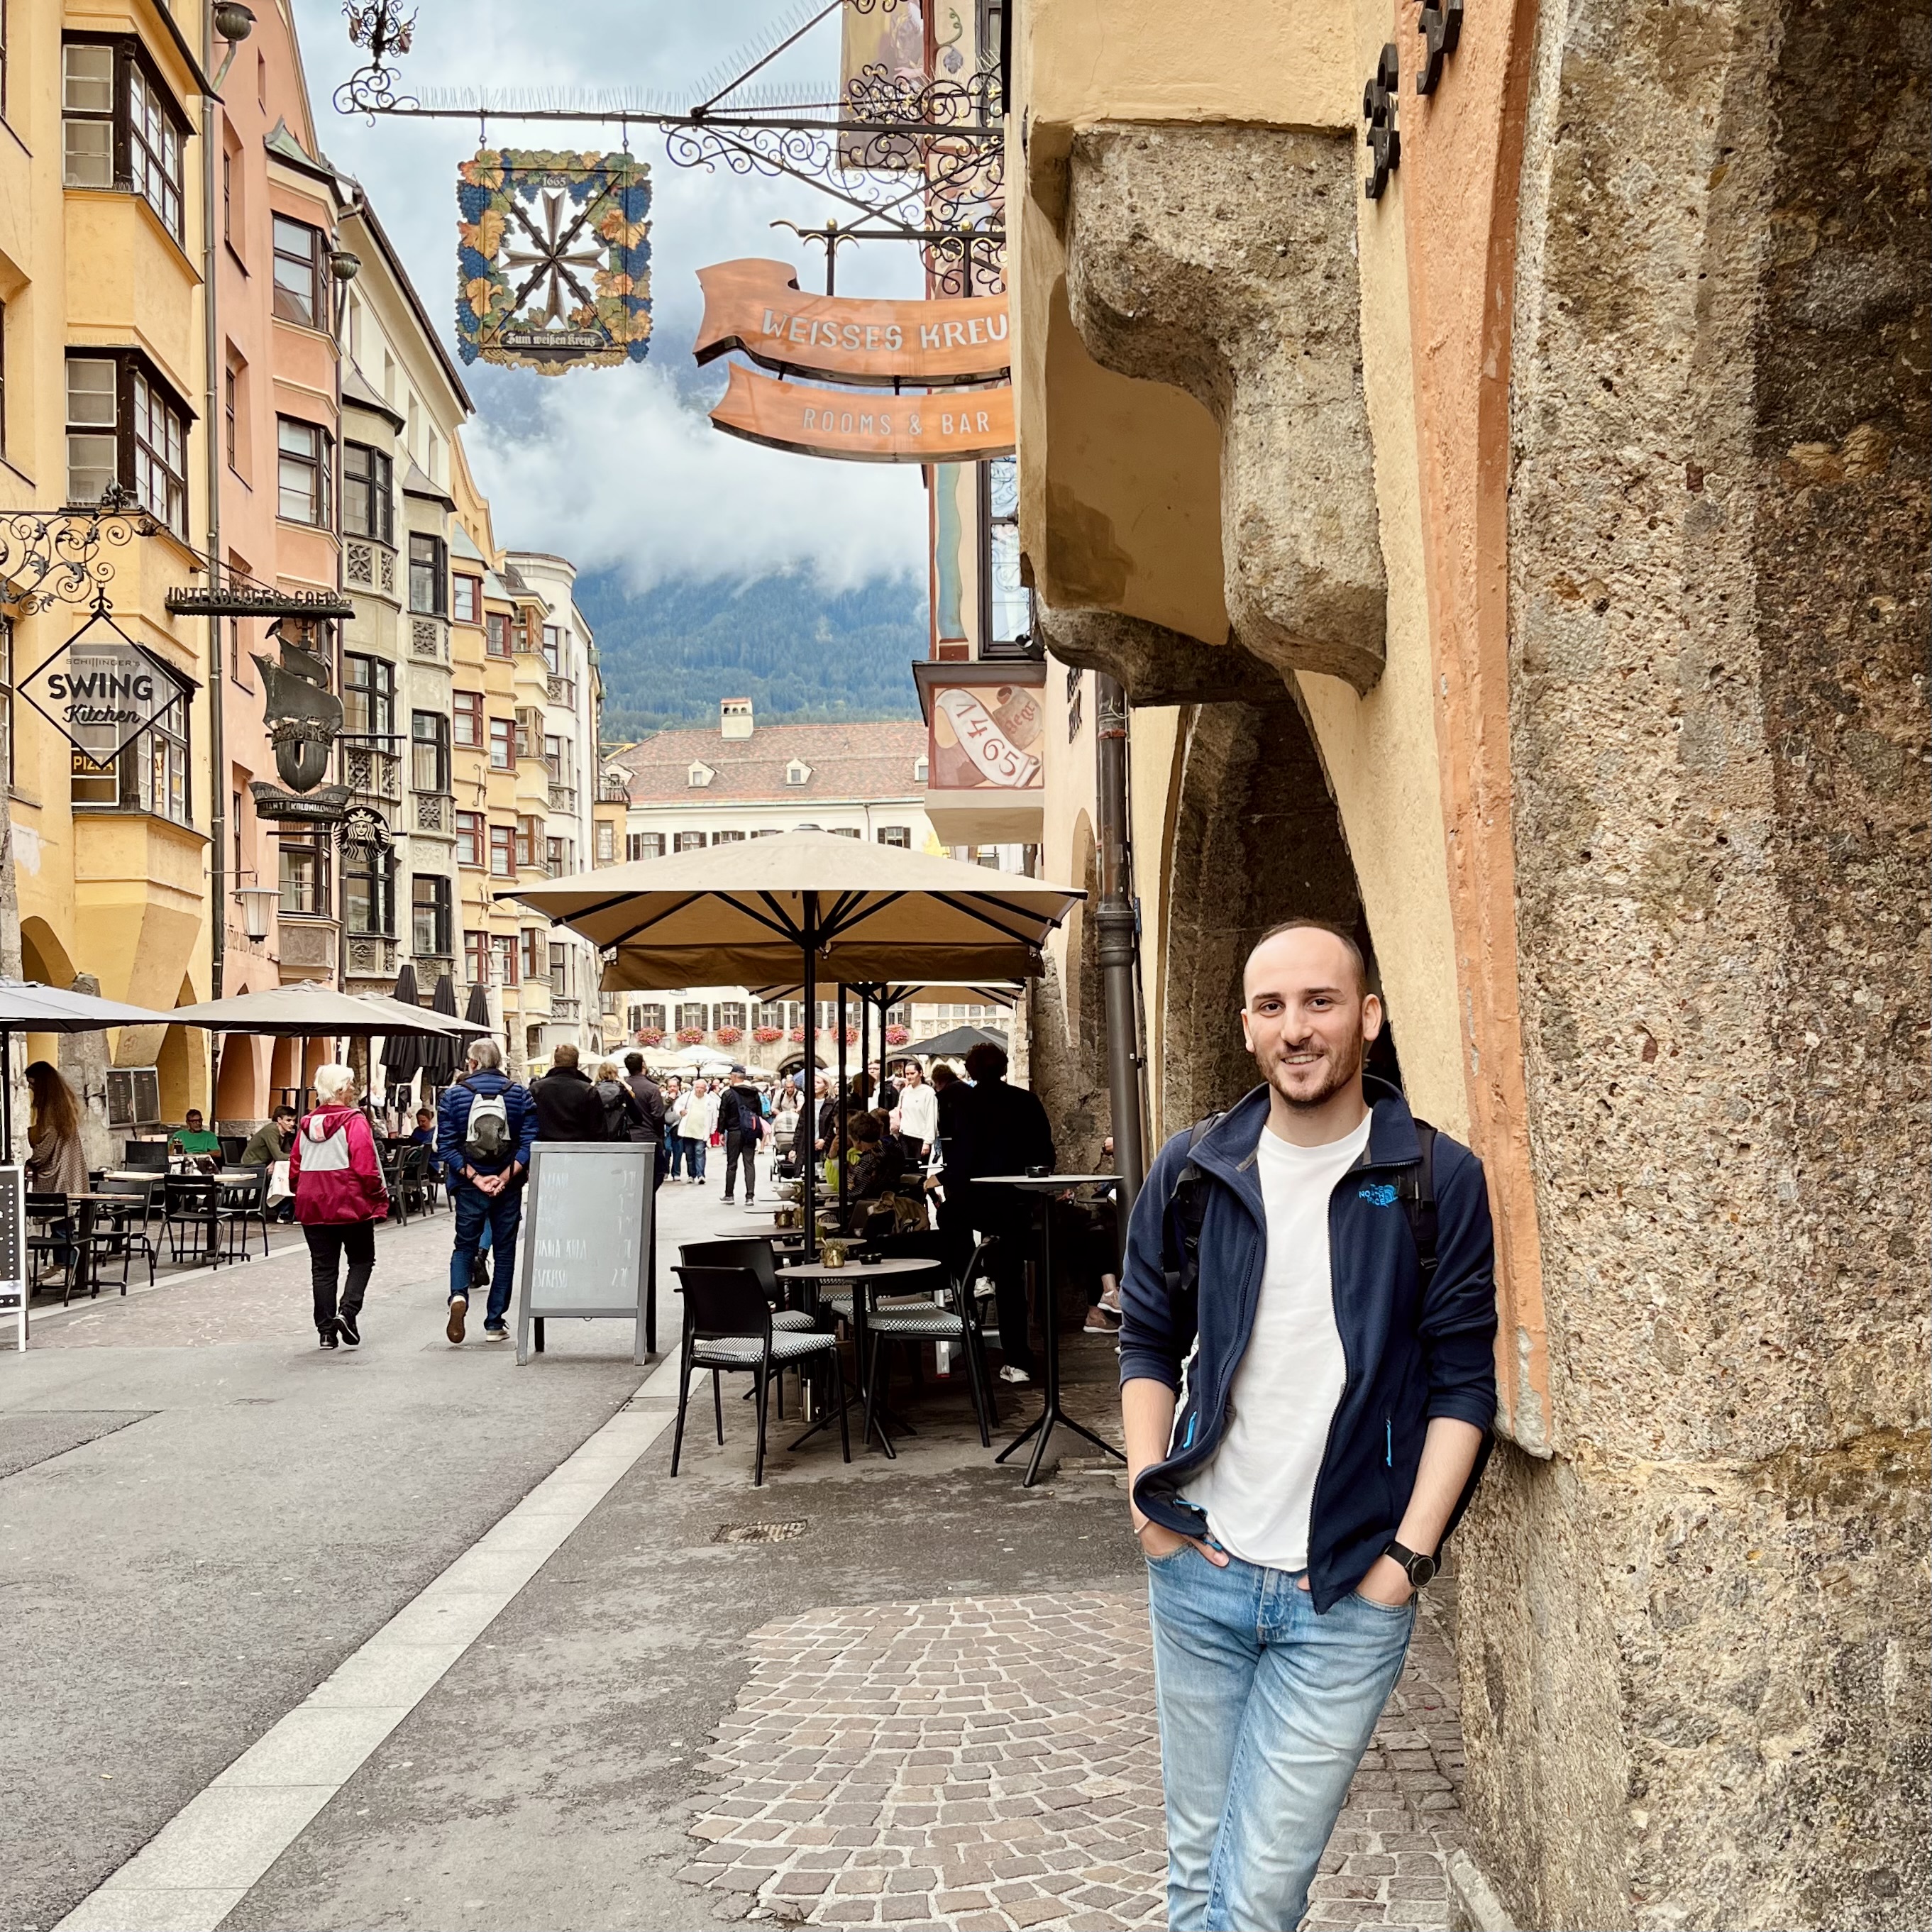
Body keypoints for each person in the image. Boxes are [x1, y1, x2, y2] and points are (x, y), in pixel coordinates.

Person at [1118, 920, 1496, 1932]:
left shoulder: (1432, 1178)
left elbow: (1464, 1385)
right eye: (1272, 1005)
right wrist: (1146, 1499)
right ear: (1246, 1025)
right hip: (1199, 1566)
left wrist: (1400, 1566)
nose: (1296, 1027)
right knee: (1195, 1871)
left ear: (1366, 1017)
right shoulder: (1194, 1168)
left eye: (1319, 1001)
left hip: (1341, 1592)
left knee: (1257, 1893)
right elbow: (1146, 1340)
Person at [942, 1040, 1054, 1385]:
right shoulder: (1026, 1101)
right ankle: (1017, 1357)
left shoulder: (962, 1104)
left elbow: (959, 1160)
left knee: (948, 1218)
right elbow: (1045, 1157)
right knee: (1011, 1279)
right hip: (1016, 1202)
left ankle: (965, 1287)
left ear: (971, 1071)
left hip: (978, 1202)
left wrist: (950, 1188)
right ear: (1004, 1068)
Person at [437, 1039, 538, 1344]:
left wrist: (476, 1178)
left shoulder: (453, 1096)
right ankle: (495, 1322)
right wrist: (505, 1177)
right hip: (508, 1186)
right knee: (505, 1251)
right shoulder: (520, 1094)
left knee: (464, 1246)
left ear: (472, 1063)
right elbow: (531, 1141)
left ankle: (458, 1295)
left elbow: (446, 1146)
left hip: (470, 1185)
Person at [288, 1064, 389, 1350]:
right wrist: (379, 1196)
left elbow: (295, 1165)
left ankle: (326, 1331)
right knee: (361, 1259)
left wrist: (302, 1192)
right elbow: (365, 1166)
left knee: (323, 1268)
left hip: (313, 1204)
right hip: (349, 1202)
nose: (355, 1089)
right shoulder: (354, 1121)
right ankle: (347, 1311)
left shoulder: (306, 1124)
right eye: (351, 1084)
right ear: (341, 1089)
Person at [25, 1064, 87, 1274]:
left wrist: (31, 1160)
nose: (31, 1089)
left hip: (59, 1174)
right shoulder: (63, 1105)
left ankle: (65, 1266)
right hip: (68, 1173)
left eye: (33, 1084)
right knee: (62, 1223)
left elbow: (46, 1145)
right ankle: (61, 1265)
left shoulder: (51, 1110)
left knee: (61, 1224)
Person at [529, 1042, 608, 1142]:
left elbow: (529, 1124)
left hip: (543, 1148)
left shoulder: (536, 1089)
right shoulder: (588, 1090)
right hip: (579, 1149)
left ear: (555, 1062)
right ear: (577, 1063)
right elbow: (598, 1130)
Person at [242, 1104, 299, 1222]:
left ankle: (284, 1211)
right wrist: (297, 1158)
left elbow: (286, 1153)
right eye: (288, 1120)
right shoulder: (272, 1130)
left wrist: (275, 1161)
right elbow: (279, 1155)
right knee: (283, 1178)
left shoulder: (283, 1133)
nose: (292, 1124)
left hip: (264, 1164)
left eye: (293, 1120)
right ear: (279, 1120)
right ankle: (282, 1212)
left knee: (289, 1176)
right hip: (252, 1166)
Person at [716, 1064, 765, 1203]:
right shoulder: (754, 1092)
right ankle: (750, 1196)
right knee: (749, 1163)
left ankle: (729, 1194)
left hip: (734, 1132)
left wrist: (721, 1132)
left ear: (734, 1077)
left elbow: (723, 1114)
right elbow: (759, 1114)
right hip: (750, 1132)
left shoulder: (728, 1094)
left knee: (732, 1164)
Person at [622, 1052, 668, 1183]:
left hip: (628, 1137)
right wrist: (660, 1137)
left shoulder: (623, 1086)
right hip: (648, 1136)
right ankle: (647, 1199)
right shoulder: (652, 1088)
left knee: (631, 1177)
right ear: (643, 1065)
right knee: (657, 1174)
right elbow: (658, 1115)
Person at [892, 1059, 938, 1171]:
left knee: (921, 1171)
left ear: (920, 1073)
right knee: (907, 1170)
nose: (909, 1076)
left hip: (920, 1138)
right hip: (905, 1135)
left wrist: (927, 1142)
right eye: (907, 1074)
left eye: (912, 1073)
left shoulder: (928, 1092)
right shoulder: (904, 1092)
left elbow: (931, 1117)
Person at [594, 1058, 646, 1141]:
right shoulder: (623, 1092)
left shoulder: (592, 1093)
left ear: (599, 1074)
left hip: (597, 1138)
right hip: (620, 1137)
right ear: (616, 1073)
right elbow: (638, 1119)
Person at [168, 1108, 222, 1172]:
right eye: (194, 1121)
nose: (198, 1123)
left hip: (204, 1165)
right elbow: (171, 1152)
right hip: (183, 1164)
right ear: (188, 1123)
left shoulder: (210, 1136)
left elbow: (218, 1153)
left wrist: (200, 1154)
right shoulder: (179, 1135)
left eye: (200, 1120)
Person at [683, 1077, 714, 1186]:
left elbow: (714, 1117)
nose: (699, 1090)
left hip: (701, 1131)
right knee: (689, 1154)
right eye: (697, 1087)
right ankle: (691, 1175)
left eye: (702, 1088)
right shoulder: (687, 1097)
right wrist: (680, 1111)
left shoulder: (710, 1101)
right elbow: (678, 1106)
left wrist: (712, 1130)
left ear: (706, 1089)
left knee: (699, 1152)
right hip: (688, 1130)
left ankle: (700, 1174)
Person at [661, 1075, 686, 1180]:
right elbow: (660, 1110)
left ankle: (676, 1173)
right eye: (670, 1086)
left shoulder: (684, 1098)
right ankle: (665, 1171)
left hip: (679, 1126)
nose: (672, 1088)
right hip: (666, 1126)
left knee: (678, 1150)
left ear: (679, 1087)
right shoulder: (663, 1097)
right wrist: (669, 1101)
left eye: (674, 1086)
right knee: (667, 1149)